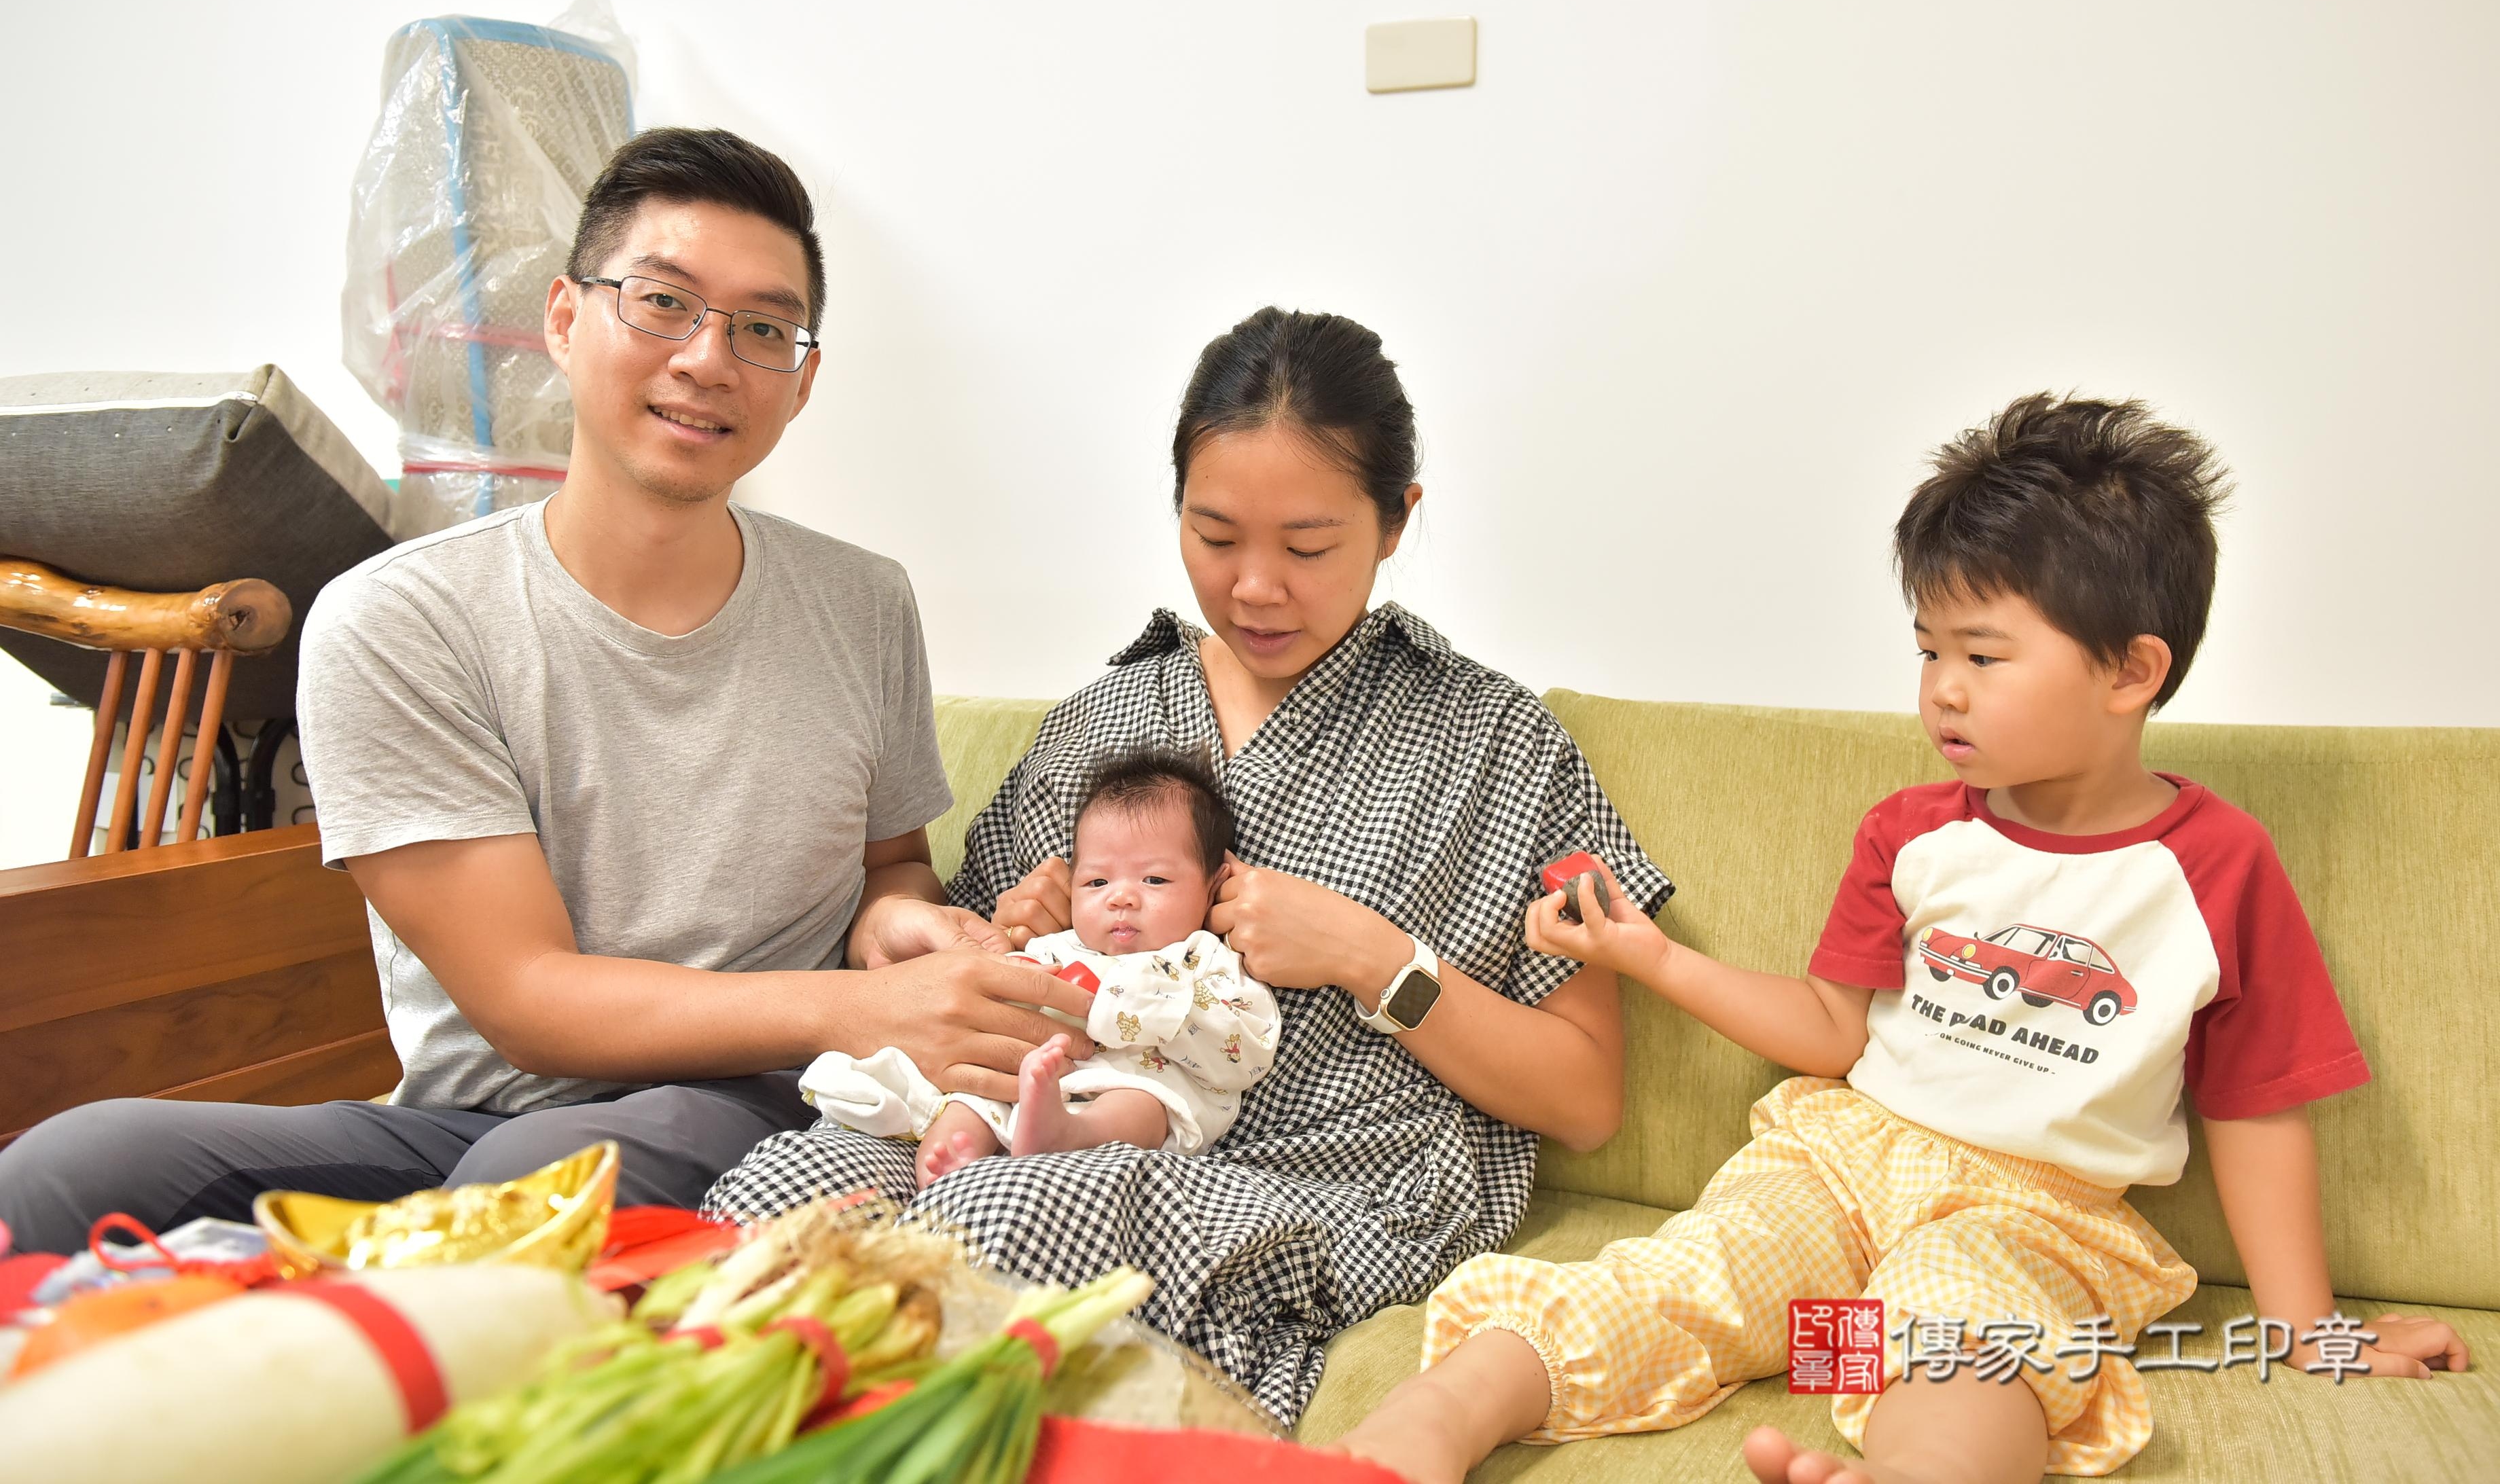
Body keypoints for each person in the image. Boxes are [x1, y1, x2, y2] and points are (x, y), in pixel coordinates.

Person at [1337, 395, 2470, 1484]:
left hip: (2035, 1214)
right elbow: (1834, 1031)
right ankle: (1426, 1424)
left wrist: (2306, 1328)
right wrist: (1651, 958)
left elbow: (2257, 1104)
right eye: (1929, 652)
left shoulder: (2217, 866)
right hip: (1842, 1167)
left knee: (1975, 1341)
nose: (1943, 694)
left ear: (2131, 670)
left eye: (1983, 657)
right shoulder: (1911, 833)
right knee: (1687, 1275)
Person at [0, 128, 1092, 1250]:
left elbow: (889, 861)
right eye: (664, 303)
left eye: (763, 329)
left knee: (535, 1178)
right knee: (67, 1169)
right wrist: (871, 1011)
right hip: (469, 1118)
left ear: (801, 378)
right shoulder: (400, 621)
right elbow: (527, 998)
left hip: (756, 1092)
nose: (710, 358)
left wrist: (901, 919)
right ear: (566, 322)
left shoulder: (862, 602)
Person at [705, 306, 1675, 1420]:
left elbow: (1588, 1099)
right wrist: (1004, 929)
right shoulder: (1104, 720)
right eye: (1216, 537)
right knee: (783, 1192)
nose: (1256, 586)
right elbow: (954, 976)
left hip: (1315, 1191)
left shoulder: (1500, 746)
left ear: (1398, 520)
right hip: (1025, 1118)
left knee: (1003, 1227)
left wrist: (1372, 957)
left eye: (1308, 547)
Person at [800, 746, 1281, 1186]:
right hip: (1026, 1080)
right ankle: (951, 1150)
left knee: (1141, 1107)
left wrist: (1128, 1004)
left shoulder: (1207, 961)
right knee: (976, 1089)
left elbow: (1244, 1052)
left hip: (1137, 1089)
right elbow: (986, 1002)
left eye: (1154, 879)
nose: (1120, 897)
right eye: (1095, 882)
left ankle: (1071, 1135)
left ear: (1215, 885)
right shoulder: (1056, 948)